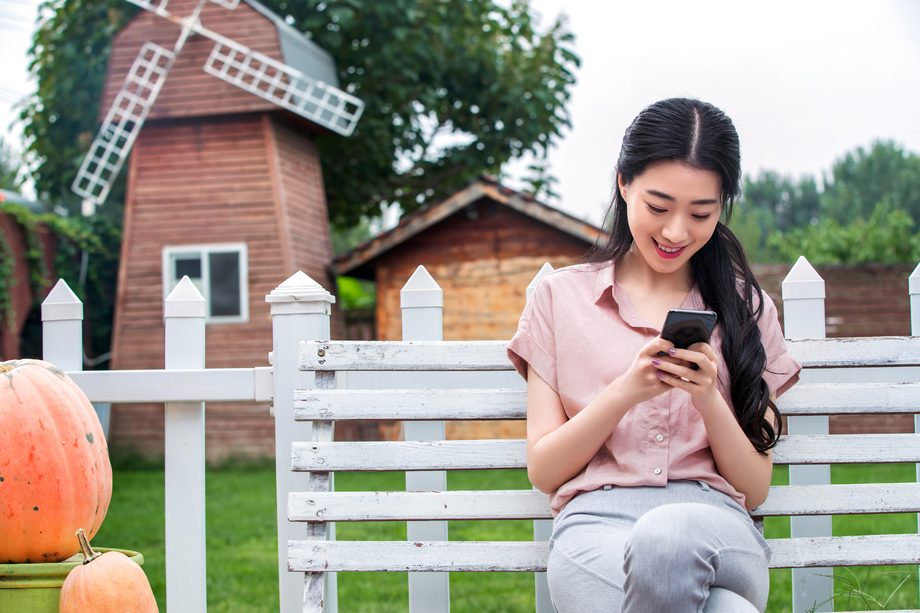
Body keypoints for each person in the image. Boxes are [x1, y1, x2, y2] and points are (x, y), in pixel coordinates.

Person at [507, 98, 801, 613]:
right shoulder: (559, 300)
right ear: (624, 184)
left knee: (667, 537)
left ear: (723, 206)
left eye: (701, 213)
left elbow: (753, 490)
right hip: (595, 533)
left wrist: (709, 398)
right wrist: (626, 392)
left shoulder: (746, 308)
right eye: (659, 207)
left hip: (716, 528)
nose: (675, 232)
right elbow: (545, 471)